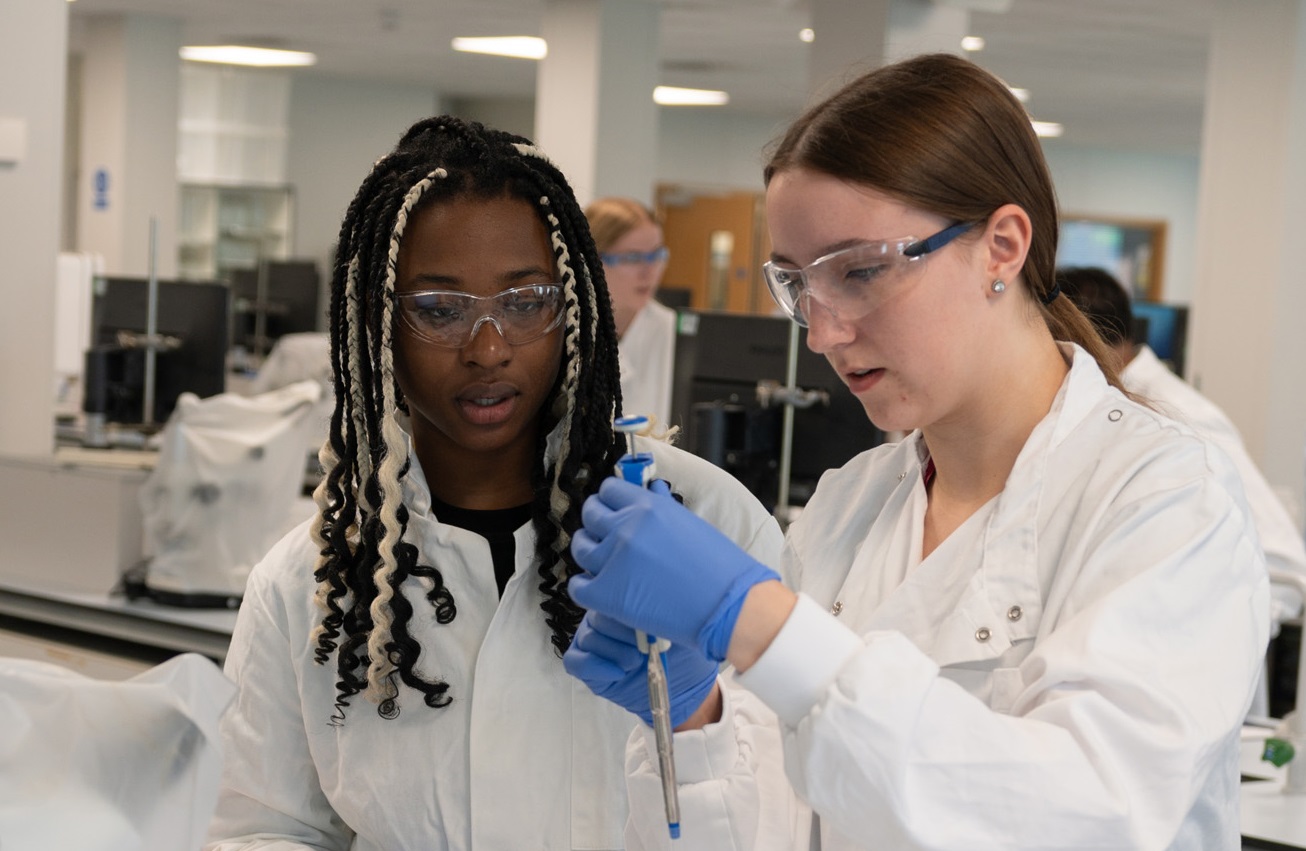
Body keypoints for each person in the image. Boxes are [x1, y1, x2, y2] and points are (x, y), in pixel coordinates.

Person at [562, 53, 1270, 849]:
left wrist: (762, 625)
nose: (824, 333)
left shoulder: (1167, 497)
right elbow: (793, 820)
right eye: (798, 285)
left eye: (861, 271)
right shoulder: (851, 501)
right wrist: (699, 715)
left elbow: (1086, 817)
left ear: (1002, 246)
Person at [204, 117, 784, 850]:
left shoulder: (711, 523)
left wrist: (703, 717)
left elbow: (792, 811)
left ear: (571, 309)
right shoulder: (310, 580)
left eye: (525, 301)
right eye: (439, 310)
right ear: (379, 326)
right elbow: (259, 826)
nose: (488, 349)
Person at [1059, 265, 1306, 707]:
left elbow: (1286, 566)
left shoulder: (1180, 417)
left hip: (1190, 691)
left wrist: (1209, 638)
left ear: (1086, 338)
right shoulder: (1099, 407)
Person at [585, 197, 676, 426]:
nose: (650, 272)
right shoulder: (565, 332)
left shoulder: (673, 332)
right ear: (592, 261)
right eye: (633, 258)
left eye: (656, 256)